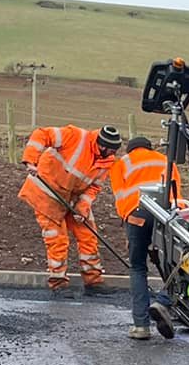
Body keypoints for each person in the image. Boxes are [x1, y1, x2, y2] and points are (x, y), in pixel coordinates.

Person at [19, 122, 119, 295]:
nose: (112, 154)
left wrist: (82, 208)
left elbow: (94, 187)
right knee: (57, 238)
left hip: (73, 198)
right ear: (101, 144)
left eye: (114, 151)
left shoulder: (107, 160)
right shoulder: (75, 136)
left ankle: (93, 281)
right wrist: (30, 160)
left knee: (88, 235)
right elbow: (41, 134)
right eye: (109, 150)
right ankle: (58, 282)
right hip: (46, 193)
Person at [103, 137, 177, 339]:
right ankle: (163, 302)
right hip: (164, 216)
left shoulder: (121, 164)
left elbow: (120, 198)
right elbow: (174, 193)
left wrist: (129, 227)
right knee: (176, 266)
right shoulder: (165, 159)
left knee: (137, 267)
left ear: (130, 149)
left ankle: (141, 327)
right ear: (149, 148)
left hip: (136, 216)